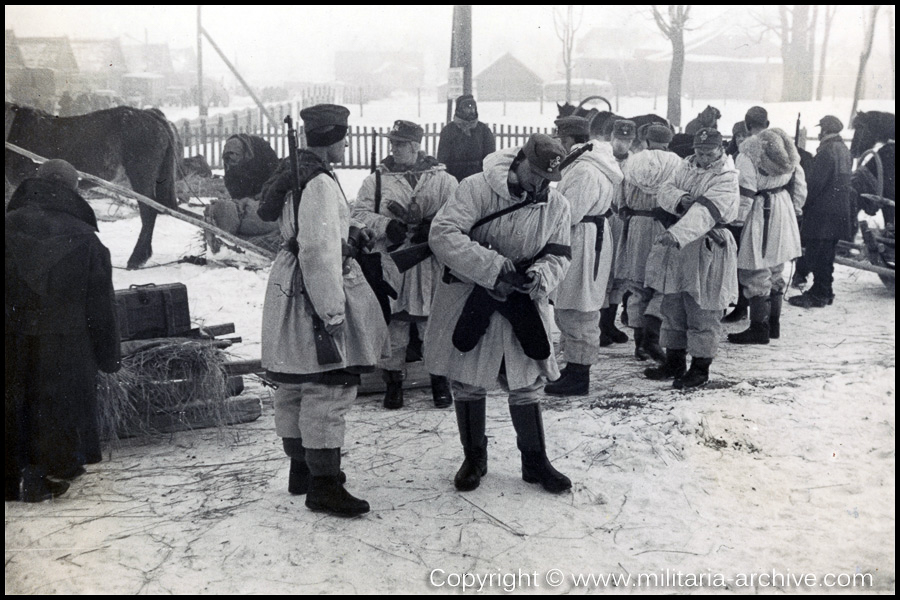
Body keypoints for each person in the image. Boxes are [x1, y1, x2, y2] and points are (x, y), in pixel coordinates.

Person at [259, 104, 388, 518]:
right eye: (344, 136)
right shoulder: (317, 181)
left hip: (291, 285)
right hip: (313, 293)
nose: (347, 143)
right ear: (332, 137)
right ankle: (325, 485)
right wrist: (331, 312)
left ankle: (303, 469)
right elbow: (317, 250)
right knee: (327, 387)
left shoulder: (300, 172)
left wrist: (351, 231)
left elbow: (310, 230)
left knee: (296, 383)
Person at [425, 133, 573, 494]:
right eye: (535, 173)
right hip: (473, 292)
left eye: (547, 178)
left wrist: (540, 276)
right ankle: (474, 458)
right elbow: (443, 234)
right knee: (469, 379)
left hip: (523, 298)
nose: (540, 183)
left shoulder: (557, 205)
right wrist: (494, 268)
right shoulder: (476, 188)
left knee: (526, 381)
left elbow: (560, 254)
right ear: (520, 160)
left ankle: (535, 461)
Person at [6, 159, 121, 502]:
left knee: (12, 400)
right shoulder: (86, 239)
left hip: (9, 337)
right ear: (73, 190)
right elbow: (101, 307)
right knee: (59, 404)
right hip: (67, 342)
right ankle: (51, 470)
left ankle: (11, 476)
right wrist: (108, 356)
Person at [352, 120, 458, 409]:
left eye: (400, 143)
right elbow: (358, 214)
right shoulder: (376, 182)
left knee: (433, 324)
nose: (394, 148)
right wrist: (386, 225)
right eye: (393, 143)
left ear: (415, 146)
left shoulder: (443, 180)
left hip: (430, 262)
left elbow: (460, 214)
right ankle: (394, 382)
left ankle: (439, 380)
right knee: (395, 326)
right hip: (394, 263)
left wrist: (433, 229)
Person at [643, 128, 740, 388]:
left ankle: (700, 367)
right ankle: (674, 362)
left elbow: (706, 213)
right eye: (699, 151)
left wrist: (677, 233)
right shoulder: (686, 166)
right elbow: (665, 190)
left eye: (709, 153)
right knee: (673, 303)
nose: (704, 157)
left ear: (721, 150)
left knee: (702, 307)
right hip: (679, 246)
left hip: (708, 244)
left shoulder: (727, 177)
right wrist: (681, 198)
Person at [544, 116, 623, 396]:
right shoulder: (583, 165)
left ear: (569, 140)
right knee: (574, 303)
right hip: (585, 237)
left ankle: (579, 375)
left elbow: (570, 212)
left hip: (584, 239)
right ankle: (574, 366)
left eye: (561, 140)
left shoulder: (584, 171)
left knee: (579, 306)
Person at [728, 123, 806, 345]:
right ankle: (773, 325)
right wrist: (796, 209)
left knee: (755, 268)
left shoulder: (748, 154)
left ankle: (758, 329)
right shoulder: (789, 151)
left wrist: (738, 222)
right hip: (782, 207)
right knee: (775, 267)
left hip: (758, 211)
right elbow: (800, 186)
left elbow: (745, 191)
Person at [615, 124, 682, 363]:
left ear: (646, 140)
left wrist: (628, 211)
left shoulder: (632, 163)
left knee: (638, 286)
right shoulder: (677, 163)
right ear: (668, 141)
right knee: (663, 284)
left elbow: (619, 198)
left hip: (636, 226)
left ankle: (638, 343)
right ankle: (651, 339)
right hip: (664, 226)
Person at [788, 115, 851, 309]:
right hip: (838, 213)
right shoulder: (843, 149)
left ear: (824, 130)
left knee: (818, 254)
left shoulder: (826, 151)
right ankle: (826, 291)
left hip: (822, 214)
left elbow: (814, 184)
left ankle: (819, 294)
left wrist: (802, 204)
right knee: (827, 254)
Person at [205, 134, 281, 252]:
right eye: (229, 160)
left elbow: (276, 176)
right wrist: (242, 201)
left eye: (235, 159)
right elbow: (231, 183)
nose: (231, 163)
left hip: (267, 190)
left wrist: (262, 195)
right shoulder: (230, 158)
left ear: (244, 154)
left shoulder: (263, 150)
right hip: (248, 197)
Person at [598, 119, 635, 347]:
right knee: (604, 273)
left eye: (627, 140)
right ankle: (599, 326)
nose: (622, 144)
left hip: (626, 220)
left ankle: (609, 323)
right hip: (605, 218)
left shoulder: (636, 163)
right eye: (619, 139)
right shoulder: (601, 159)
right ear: (611, 137)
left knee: (619, 274)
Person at [722, 120, 752, 322]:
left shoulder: (748, 158)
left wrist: (739, 217)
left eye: (744, 135)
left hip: (744, 216)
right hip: (729, 214)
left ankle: (742, 306)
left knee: (743, 263)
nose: (741, 139)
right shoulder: (730, 156)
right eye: (738, 136)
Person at [437, 94, 496, 182]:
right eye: (467, 107)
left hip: (478, 180)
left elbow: (490, 159)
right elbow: (442, 160)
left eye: (473, 107)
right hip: (454, 180)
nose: (471, 110)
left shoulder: (484, 130)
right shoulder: (448, 131)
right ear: (459, 110)